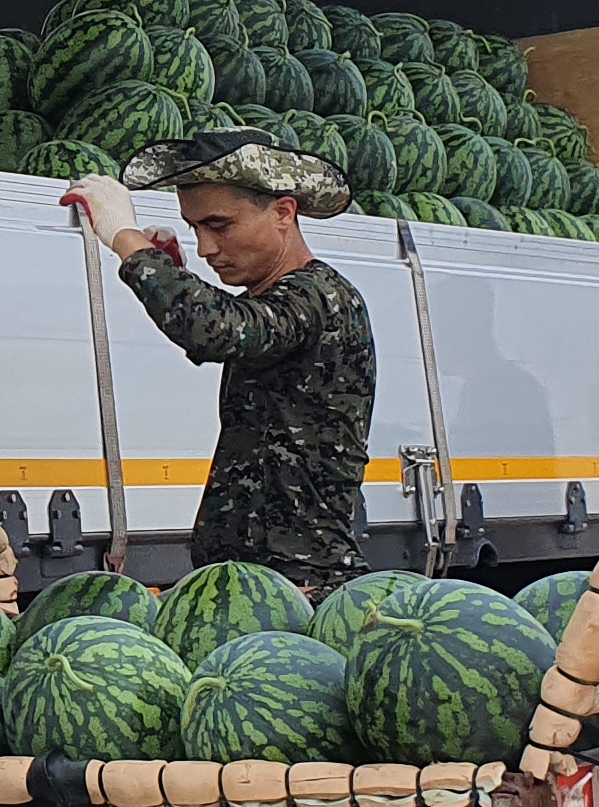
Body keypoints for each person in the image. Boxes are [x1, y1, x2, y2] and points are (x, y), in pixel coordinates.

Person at [65, 134, 377, 592]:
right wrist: (174, 275)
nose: (206, 247)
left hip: (301, 584)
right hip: (254, 582)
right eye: (195, 229)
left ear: (283, 213)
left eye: (220, 226)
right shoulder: (285, 302)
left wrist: (128, 242)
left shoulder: (321, 296)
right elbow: (227, 329)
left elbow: (216, 330)